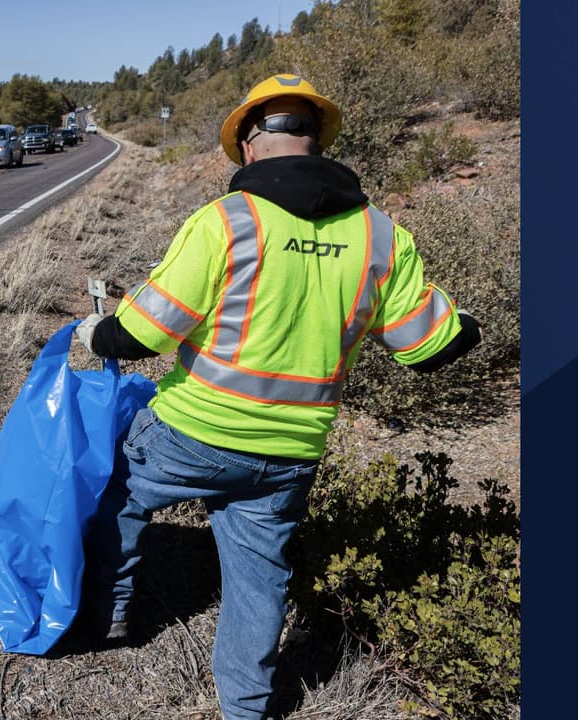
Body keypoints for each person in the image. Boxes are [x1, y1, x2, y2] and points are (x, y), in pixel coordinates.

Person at [74, 74, 482, 720]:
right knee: (259, 579)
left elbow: (143, 335)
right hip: (288, 453)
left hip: (191, 434)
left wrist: (98, 329)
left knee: (113, 492)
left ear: (251, 142)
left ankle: (111, 617)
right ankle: (248, 706)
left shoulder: (224, 222)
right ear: (316, 141)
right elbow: (430, 349)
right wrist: (471, 325)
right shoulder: (380, 236)